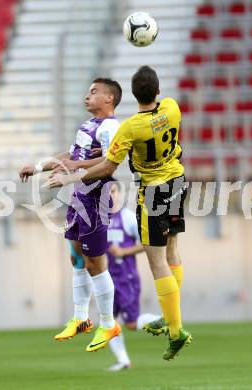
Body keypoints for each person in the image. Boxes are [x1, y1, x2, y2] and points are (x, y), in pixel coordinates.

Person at [47, 65, 192, 360]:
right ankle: (171, 316)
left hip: (152, 191)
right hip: (178, 181)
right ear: (158, 91)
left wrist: (70, 177)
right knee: (173, 249)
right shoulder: (172, 108)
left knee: (157, 263)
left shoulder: (130, 128)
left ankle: (176, 331)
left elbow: (107, 167)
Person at [19, 78, 123, 352]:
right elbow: (72, 155)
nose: (86, 96)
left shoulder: (112, 127)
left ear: (109, 98)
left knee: (95, 263)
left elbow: (110, 165)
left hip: (95, 196)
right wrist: (40, 166)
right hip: (78, 194)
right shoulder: (89, 125)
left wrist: (73, 168)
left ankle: (108, 323)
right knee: (76, 257)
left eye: (93, 92)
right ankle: (80, 318)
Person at [106, 181, 159, 371]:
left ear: (118, 193)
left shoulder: (127, 217)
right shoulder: (98, 220)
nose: (109, 196)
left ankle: (166, 320)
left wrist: (122, 252)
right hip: (106, 279)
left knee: (131, 324)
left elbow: (146, 243)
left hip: (125, 277)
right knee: (107, 321)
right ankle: (123, 361)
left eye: (112, 191)